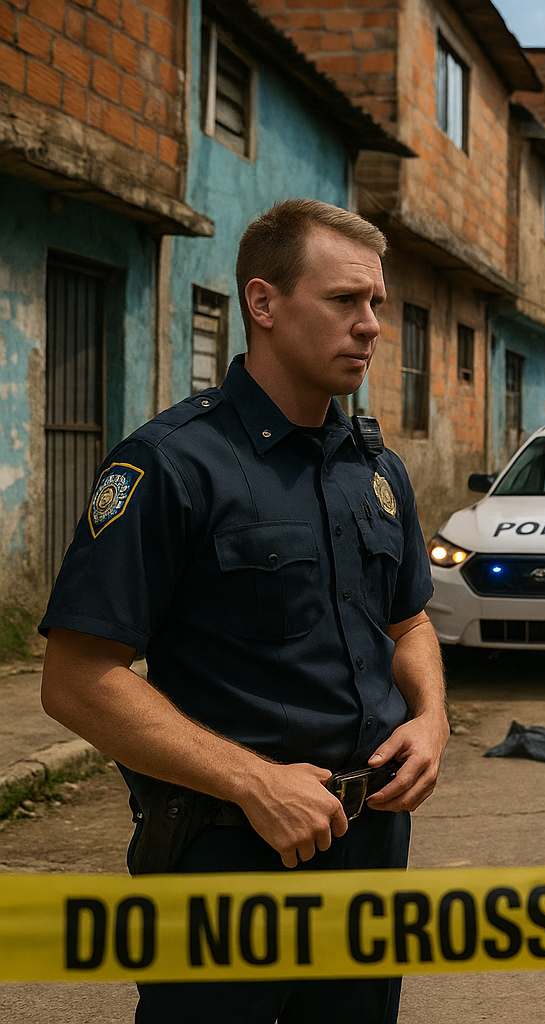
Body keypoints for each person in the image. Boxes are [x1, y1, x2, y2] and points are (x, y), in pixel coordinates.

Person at [39, 199, 446, 1023]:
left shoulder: (375, 469)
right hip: (226, 852)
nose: (370, 326)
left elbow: (409, 623)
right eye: (344, 301)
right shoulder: (172, 465)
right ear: (263, 304)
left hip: (370, 847)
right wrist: (254, 782)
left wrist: (433, 717)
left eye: (376, 304)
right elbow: (78, 680)